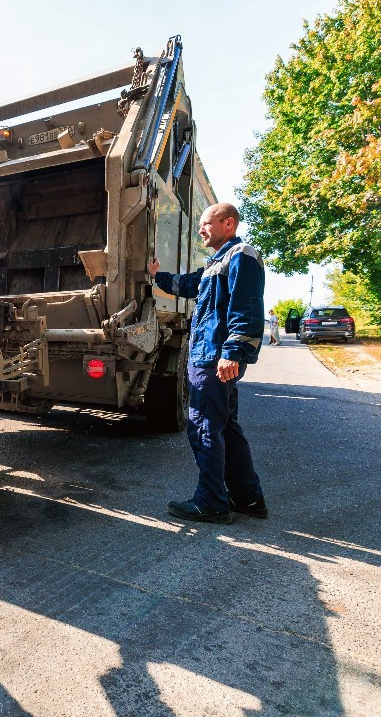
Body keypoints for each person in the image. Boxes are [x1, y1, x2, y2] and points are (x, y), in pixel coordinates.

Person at [147, 202, 268, 524]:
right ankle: (248, 498)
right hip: (212, 357)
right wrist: (157, 276)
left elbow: (248, 308)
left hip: (214, 358)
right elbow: (188, 285)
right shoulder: (218, 263)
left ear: (228, 223)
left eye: (206, 223)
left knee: (204, 428)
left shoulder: (241, 255)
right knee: (226, 428)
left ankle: (212, 502)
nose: (201, 229)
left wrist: (233, 352)